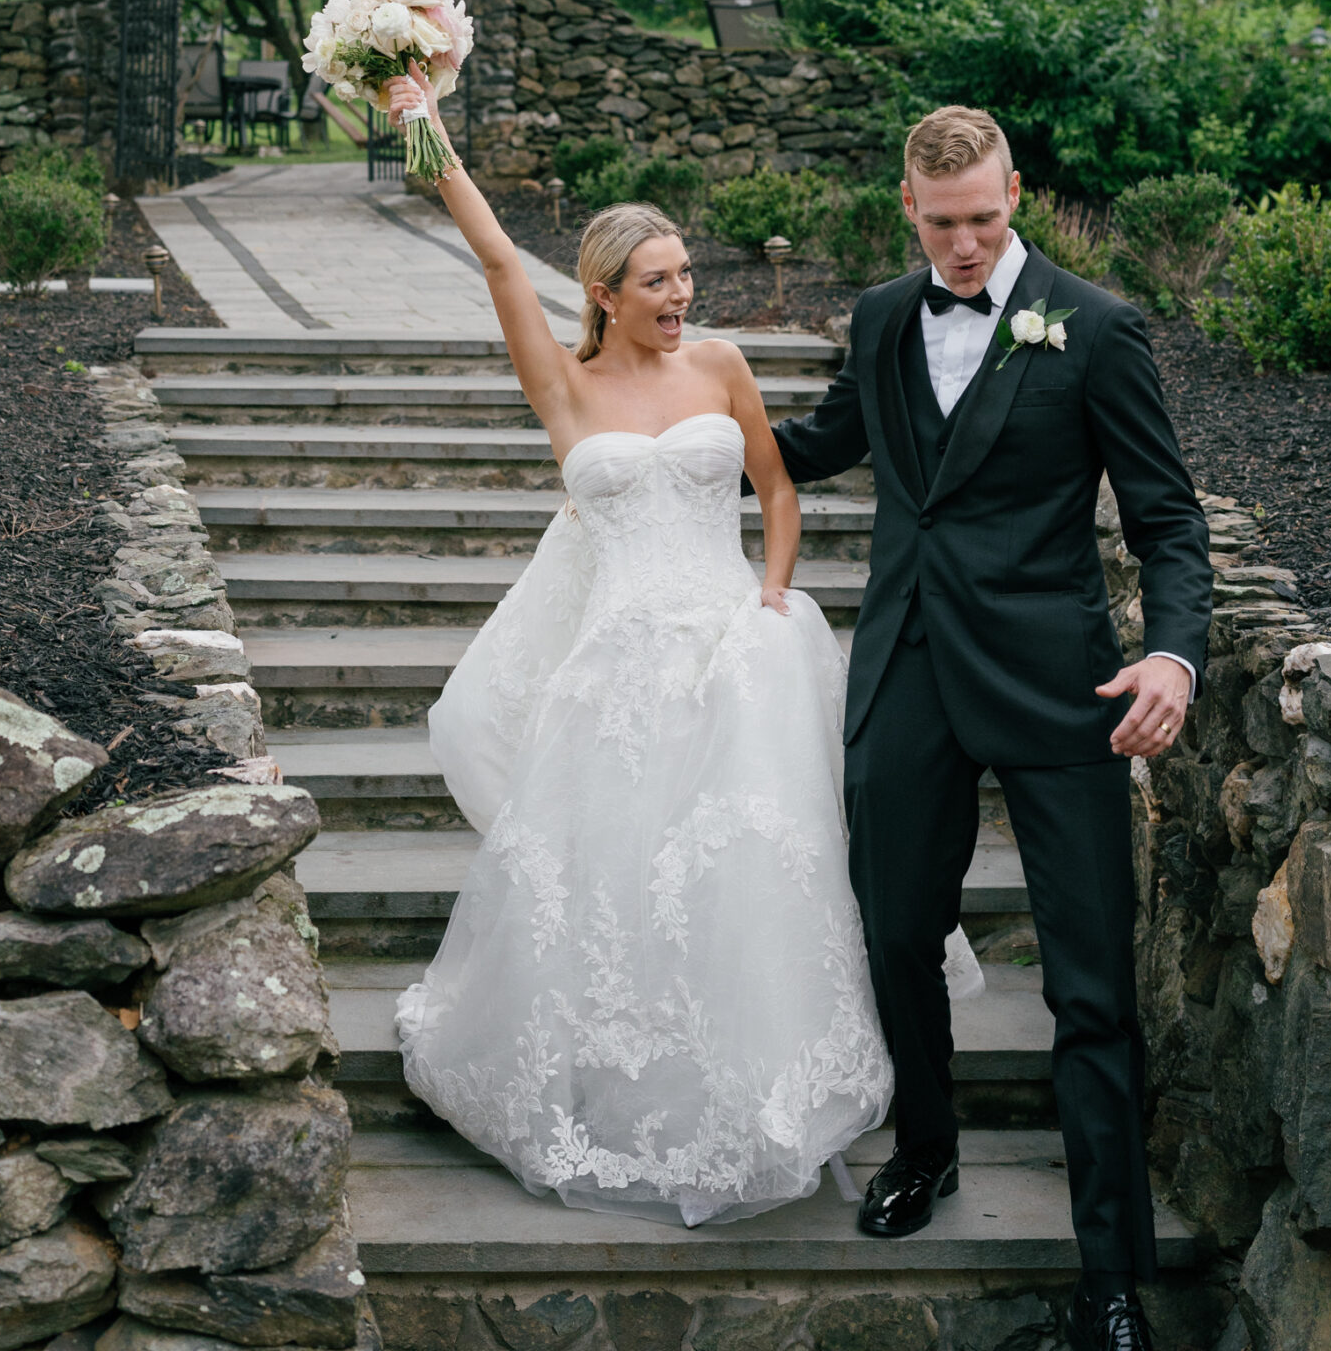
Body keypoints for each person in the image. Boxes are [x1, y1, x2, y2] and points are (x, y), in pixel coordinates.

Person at [387, 63, 980, 1227]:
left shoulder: (719, 364)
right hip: (613, 665)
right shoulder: (561, 388)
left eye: (686, 276)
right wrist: (425, 134)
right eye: (657, 282)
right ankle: (617, 1081)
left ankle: (767, 1081)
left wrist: (768, 594)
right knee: (615, 882)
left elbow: (775, 487)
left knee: (748, 869)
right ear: (603, 294)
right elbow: (503, 261)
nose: (681, 296)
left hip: (731, 642)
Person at [775, 103, 1211, 1351]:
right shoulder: (873, 315)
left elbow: (1167, 521)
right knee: (895, 928)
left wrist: (1174, 661)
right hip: (904, 673)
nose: (963, 246)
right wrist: (666, 406)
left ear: (1014, 193)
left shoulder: (1095, 328)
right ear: (904, 203)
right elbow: (819, 442)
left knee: (1088, 990)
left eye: (984, 219)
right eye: (938, 221)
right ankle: (926, 1140)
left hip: (1058, 688)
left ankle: (1114, 1301)